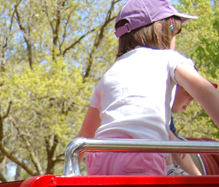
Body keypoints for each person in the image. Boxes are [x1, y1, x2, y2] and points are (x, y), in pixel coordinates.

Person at [77, 0, 219, 176]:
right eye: (175, 31)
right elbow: (204, 90)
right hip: (142, 157)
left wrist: (68, 174)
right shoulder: (168, 58)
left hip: (99, 161)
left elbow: (85, 134)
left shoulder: (110, 74)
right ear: (162, 29)